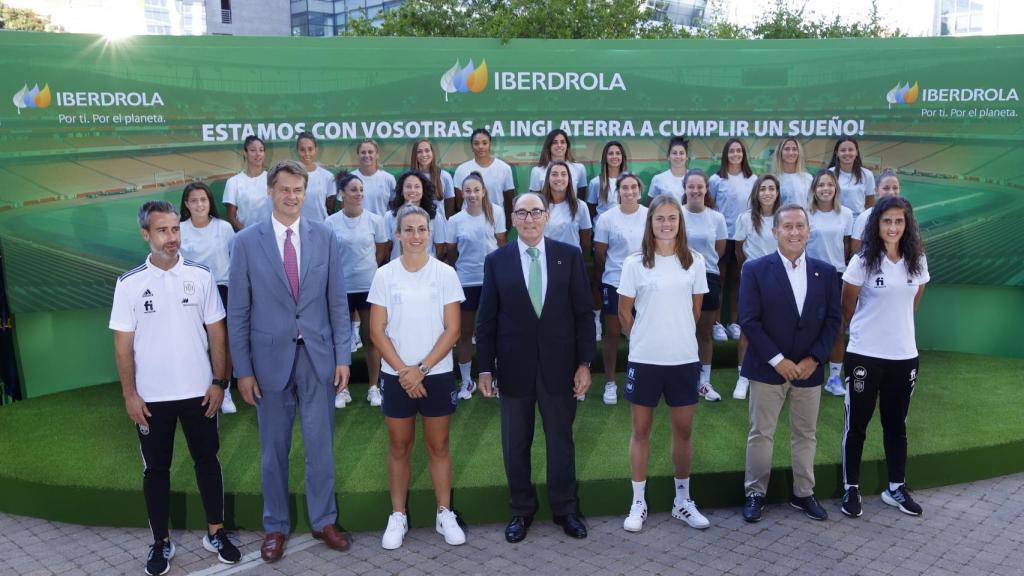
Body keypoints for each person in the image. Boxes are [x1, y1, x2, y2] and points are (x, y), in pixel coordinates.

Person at [227, 160, 352, 563]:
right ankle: (275, 526)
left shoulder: (325, 237)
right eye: (284, 189)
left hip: (318, 359)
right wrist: (242, 370)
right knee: (272, 451)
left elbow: (337, 301)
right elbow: (239, 313)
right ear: (270, 191)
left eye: (298, 189)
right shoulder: (246, 242)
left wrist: (344, 357)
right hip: (268, 364)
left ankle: (323, 519)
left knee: (321, 449)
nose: (292, 196)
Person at [110, 200, 240, 576]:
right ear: (145, 235)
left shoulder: (200, 275)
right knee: (156, 471)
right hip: (151, 400)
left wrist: (219, 382)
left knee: (207, 463)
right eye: (163, 230)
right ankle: (161, 542)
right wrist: (130, 394)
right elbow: (122, 346)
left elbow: (218, 333)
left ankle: (216, 533)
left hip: (199, 393)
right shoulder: (130, 284)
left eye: (175, 229)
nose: (172, 237)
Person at [476, 192, 595, 543]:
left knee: (561, 442)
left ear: (546, 217)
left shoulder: (569, 257)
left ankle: (565, 510)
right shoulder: (496, 261)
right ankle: (521, 510)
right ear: (512, 219)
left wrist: (585, 364)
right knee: (515, 445)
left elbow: (583, 315)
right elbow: (487, 320)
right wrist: (484, 369)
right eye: (522, 213)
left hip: (560, 369)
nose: (529, 219)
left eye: (536, 212)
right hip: (513, 369)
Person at [368, 205, 467, 550]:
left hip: (435, 374)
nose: (415, 236)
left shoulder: (445, 274)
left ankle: (444, 512)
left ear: (430, 232)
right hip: (396, 377)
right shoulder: (384, 275)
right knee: (399, 446)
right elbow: (377, 332)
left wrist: (420, 369)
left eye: (421, 229)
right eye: (408, 230)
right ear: (397, 234)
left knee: (438, 446)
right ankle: (398, 515)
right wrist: (403, 372)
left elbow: (453, 330)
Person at [739, 204, 842, 524]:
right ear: (775, 232)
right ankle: (755, 493)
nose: (794, 232)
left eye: (800, 226)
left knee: (805, 434)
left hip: (809, 372)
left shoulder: (825, 272)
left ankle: (803, 493)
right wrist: (778, 361)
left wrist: (814, 359)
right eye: (788, 227)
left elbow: (834, 322)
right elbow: (749, 321)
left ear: (808, 231)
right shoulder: (755, 269)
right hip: (767, 369)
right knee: (761, 434)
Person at [617, 195, 710, 533]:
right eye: (660, 218)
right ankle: (638, 501)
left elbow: (695, 312)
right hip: (644, 360)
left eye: (673, 218)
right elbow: (624, 313)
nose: (667, 224)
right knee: (640, 431)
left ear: (680, 223)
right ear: (651, 222)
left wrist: (675, 335)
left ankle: (682, 501)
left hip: (683, 359)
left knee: (683, 431)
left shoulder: (694, 262)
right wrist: (644, 337)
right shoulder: (634, 263)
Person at [839, 196, 929, 518]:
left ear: (907, 225)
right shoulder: (862, 260)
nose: (893, 227)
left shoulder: (917, 260)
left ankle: (896, 488)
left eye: (899, 221)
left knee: (896, 426)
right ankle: (850, 488)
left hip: (904, 357)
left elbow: (913, 303)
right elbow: (847, 307)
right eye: (887, 221)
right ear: (877, 224)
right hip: (865, 355)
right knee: (857, 426)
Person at [324, 171, 388, 409]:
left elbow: (381, 251)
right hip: (340, 289)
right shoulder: (329, 223)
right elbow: (328, 257)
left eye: (361, 190)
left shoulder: (375, 220)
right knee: (340, 340)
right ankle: (342, 389)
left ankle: (374, 387)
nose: (358, 194)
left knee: (371, 338)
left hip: (368, 288)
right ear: (342, 194)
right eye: (353, 190)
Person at [445, 172, 507, 400]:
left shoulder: (497, 213)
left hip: (492, 281)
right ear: (463, 192)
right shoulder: (454, 221)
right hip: (465, 282)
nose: (472, 195)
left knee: (498, 332)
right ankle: (467, 381)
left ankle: (500, 379)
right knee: (464, 334)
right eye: (468, 190)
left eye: (476, 190)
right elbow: (451, 252)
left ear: (483, 191)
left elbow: (501, 245)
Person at [179, 182, 239, 414]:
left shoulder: (224, 228)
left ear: (209, 202)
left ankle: (225, 390)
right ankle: (198, 390)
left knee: (223, 342)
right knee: (195, 342)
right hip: (190, 291)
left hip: (222, 288)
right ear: (186, 204)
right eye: (193, 200)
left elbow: (236, 261)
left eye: (203, 199)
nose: (199, 204)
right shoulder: (180, 229)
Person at [593, 173, 647, 405]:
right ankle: (611, 383)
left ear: (639, 190)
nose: (629, 191)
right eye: (625, 187)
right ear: (618, 191)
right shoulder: (606, 218)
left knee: (643, 333)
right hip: (614, 281)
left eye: (634, 187)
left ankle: (642, 380)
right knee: (613, 334)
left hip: (645, 283)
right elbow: (600, 254)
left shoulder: (649, 214)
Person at [732, 175, 781, 400]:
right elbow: (739, 250)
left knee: (777, 328)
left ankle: (774, 372)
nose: (767, 193)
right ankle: (743, 377)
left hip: (780, 281)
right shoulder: (745, 218)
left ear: (778, 192)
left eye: (771, 188)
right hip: (752, 281)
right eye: (763, 189)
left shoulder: (784, 218)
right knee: (747, 329)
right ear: (756, 193)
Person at [806, 170, 854, 397]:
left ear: (835, 189)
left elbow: (846, 246)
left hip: (836, 275)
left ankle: (834, 378)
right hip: (809, 275)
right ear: (814, 189)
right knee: (807, 326)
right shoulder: (806, 213)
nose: (825, 189)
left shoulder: (845, 214)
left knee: (837, 327)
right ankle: (805, 374)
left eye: (830, 185)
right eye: (821, 185)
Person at [542, 160, 596, 363]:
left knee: (574, 320)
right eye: (554, 174)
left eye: (563, 174)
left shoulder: (580, 207)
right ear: (548, 178)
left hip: (571, 270)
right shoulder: (540, 205)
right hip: (544, 270)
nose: (559, 178)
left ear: (569, 179)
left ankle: (579, 369)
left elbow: (584, 239)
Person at [681, 169, 727, 402]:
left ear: (706, 189)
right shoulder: (676, 214)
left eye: (700, 186)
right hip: (679, 277)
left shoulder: (716, 218)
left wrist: (701, 265)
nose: (696, 190)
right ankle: (679, 379)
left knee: (704, 332)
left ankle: (704, 382)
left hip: (708, 276)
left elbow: (718, 250)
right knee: (679, 329)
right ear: (685, 189)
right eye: (692, 186)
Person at [708, 138, 757, 343]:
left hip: (744, 237)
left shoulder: (753, 179)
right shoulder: (716, 180)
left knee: (738, 281)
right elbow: (710, 207)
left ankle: (734, 322)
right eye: (731, 151)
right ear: (725, 155)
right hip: (722, 236)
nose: (735, 154)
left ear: (743, 154)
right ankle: (717, 323)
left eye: (739, 151)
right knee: (719, 281)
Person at [453, 128, 516, 231]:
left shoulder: (504, 168)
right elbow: (458, 203)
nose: (480, 147)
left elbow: (509, 202)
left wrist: (506, 226)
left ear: (490, 144)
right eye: (476, 143)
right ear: (471, 146)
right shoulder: (461, 170)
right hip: (468, 225)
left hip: (495, 223)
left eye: (484, 143)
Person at [383, 171, 448, 264]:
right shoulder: (389, 216)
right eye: (408, 186)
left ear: (423, 190)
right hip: (398, 269)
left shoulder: (435, 216)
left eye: (417, 187)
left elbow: (440, 248)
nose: (412, 190)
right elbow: (386, 248)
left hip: (427, 269)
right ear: (401, 190)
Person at [223, 135, 268, 231]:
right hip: (245, 236)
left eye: (261, 150)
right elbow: (231, 217)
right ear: (245, 153)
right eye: (253, 150)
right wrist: (247, 234)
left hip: (270, 234)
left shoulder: (273, 179)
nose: (258, 154)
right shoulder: (233, 182)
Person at [851, 168, 901, 253]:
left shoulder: (905, 216)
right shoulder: (865, 217)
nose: (891, 192)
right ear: (876, 190)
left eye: (895, 188)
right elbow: (855, 249)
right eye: (886, 188)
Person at [529, 129, 588, 197]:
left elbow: (581, 198)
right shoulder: (537, 171)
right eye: (555, 142)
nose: (559, 145)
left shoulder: (579, 168)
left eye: (562, 142)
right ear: (549, 146)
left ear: (567, 145)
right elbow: (535, 200)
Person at [346, 138, 396, 216]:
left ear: (377, 155)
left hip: (382, 227)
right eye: (363, 152)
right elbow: (345, 207)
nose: (366, 155)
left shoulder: (388, 179)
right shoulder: (349, 179)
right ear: (358, 155)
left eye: (370, 152)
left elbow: (394, 209)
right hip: (357, 227)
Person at [828, 137, 876, 219]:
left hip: (859, 221)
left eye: (851, 150)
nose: (847, 153)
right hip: (835, 220)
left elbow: (869, 204)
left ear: (856, 152)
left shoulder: (867, 175)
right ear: (837, 153)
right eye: (843, 150)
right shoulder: (829, 174)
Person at [410, 138, 456, 219]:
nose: (424, 154)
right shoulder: (408, 178)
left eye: (427, 150)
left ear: (432, 153)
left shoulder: (445, 176)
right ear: (415, 155)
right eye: (419, 152)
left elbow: (450, 207)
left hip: (439, 227)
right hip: (415, 226)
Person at [294, 131, 332, 222]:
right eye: (302, 150)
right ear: (297, 151)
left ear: (316, 150)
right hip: (297, 227)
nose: (307, 153)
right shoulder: (290, 176)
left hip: (321, 226)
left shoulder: (327, 176)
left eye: (310, 149)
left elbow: (330, 206)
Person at [586, 141, 628, 220]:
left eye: (618, 153)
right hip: (601, 230)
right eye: (610, 153)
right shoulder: (595, 182)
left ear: (623, 157)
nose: (614, 156)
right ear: (605, 157)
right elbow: (591, 210)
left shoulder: (631, 181)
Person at [771, 137, 813, 208]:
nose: (791, 153)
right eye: (787, 149)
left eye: (794, 149)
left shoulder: (808, 178)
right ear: (780, 152)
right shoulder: (773, 179)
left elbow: (813, 204)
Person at [647, 137, 690, 204]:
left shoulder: (694, 177)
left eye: (681, 153)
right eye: (674, 153)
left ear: (687, 157)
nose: (678, 156)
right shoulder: (658, 179)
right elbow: (651, 207)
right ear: (668, 156)